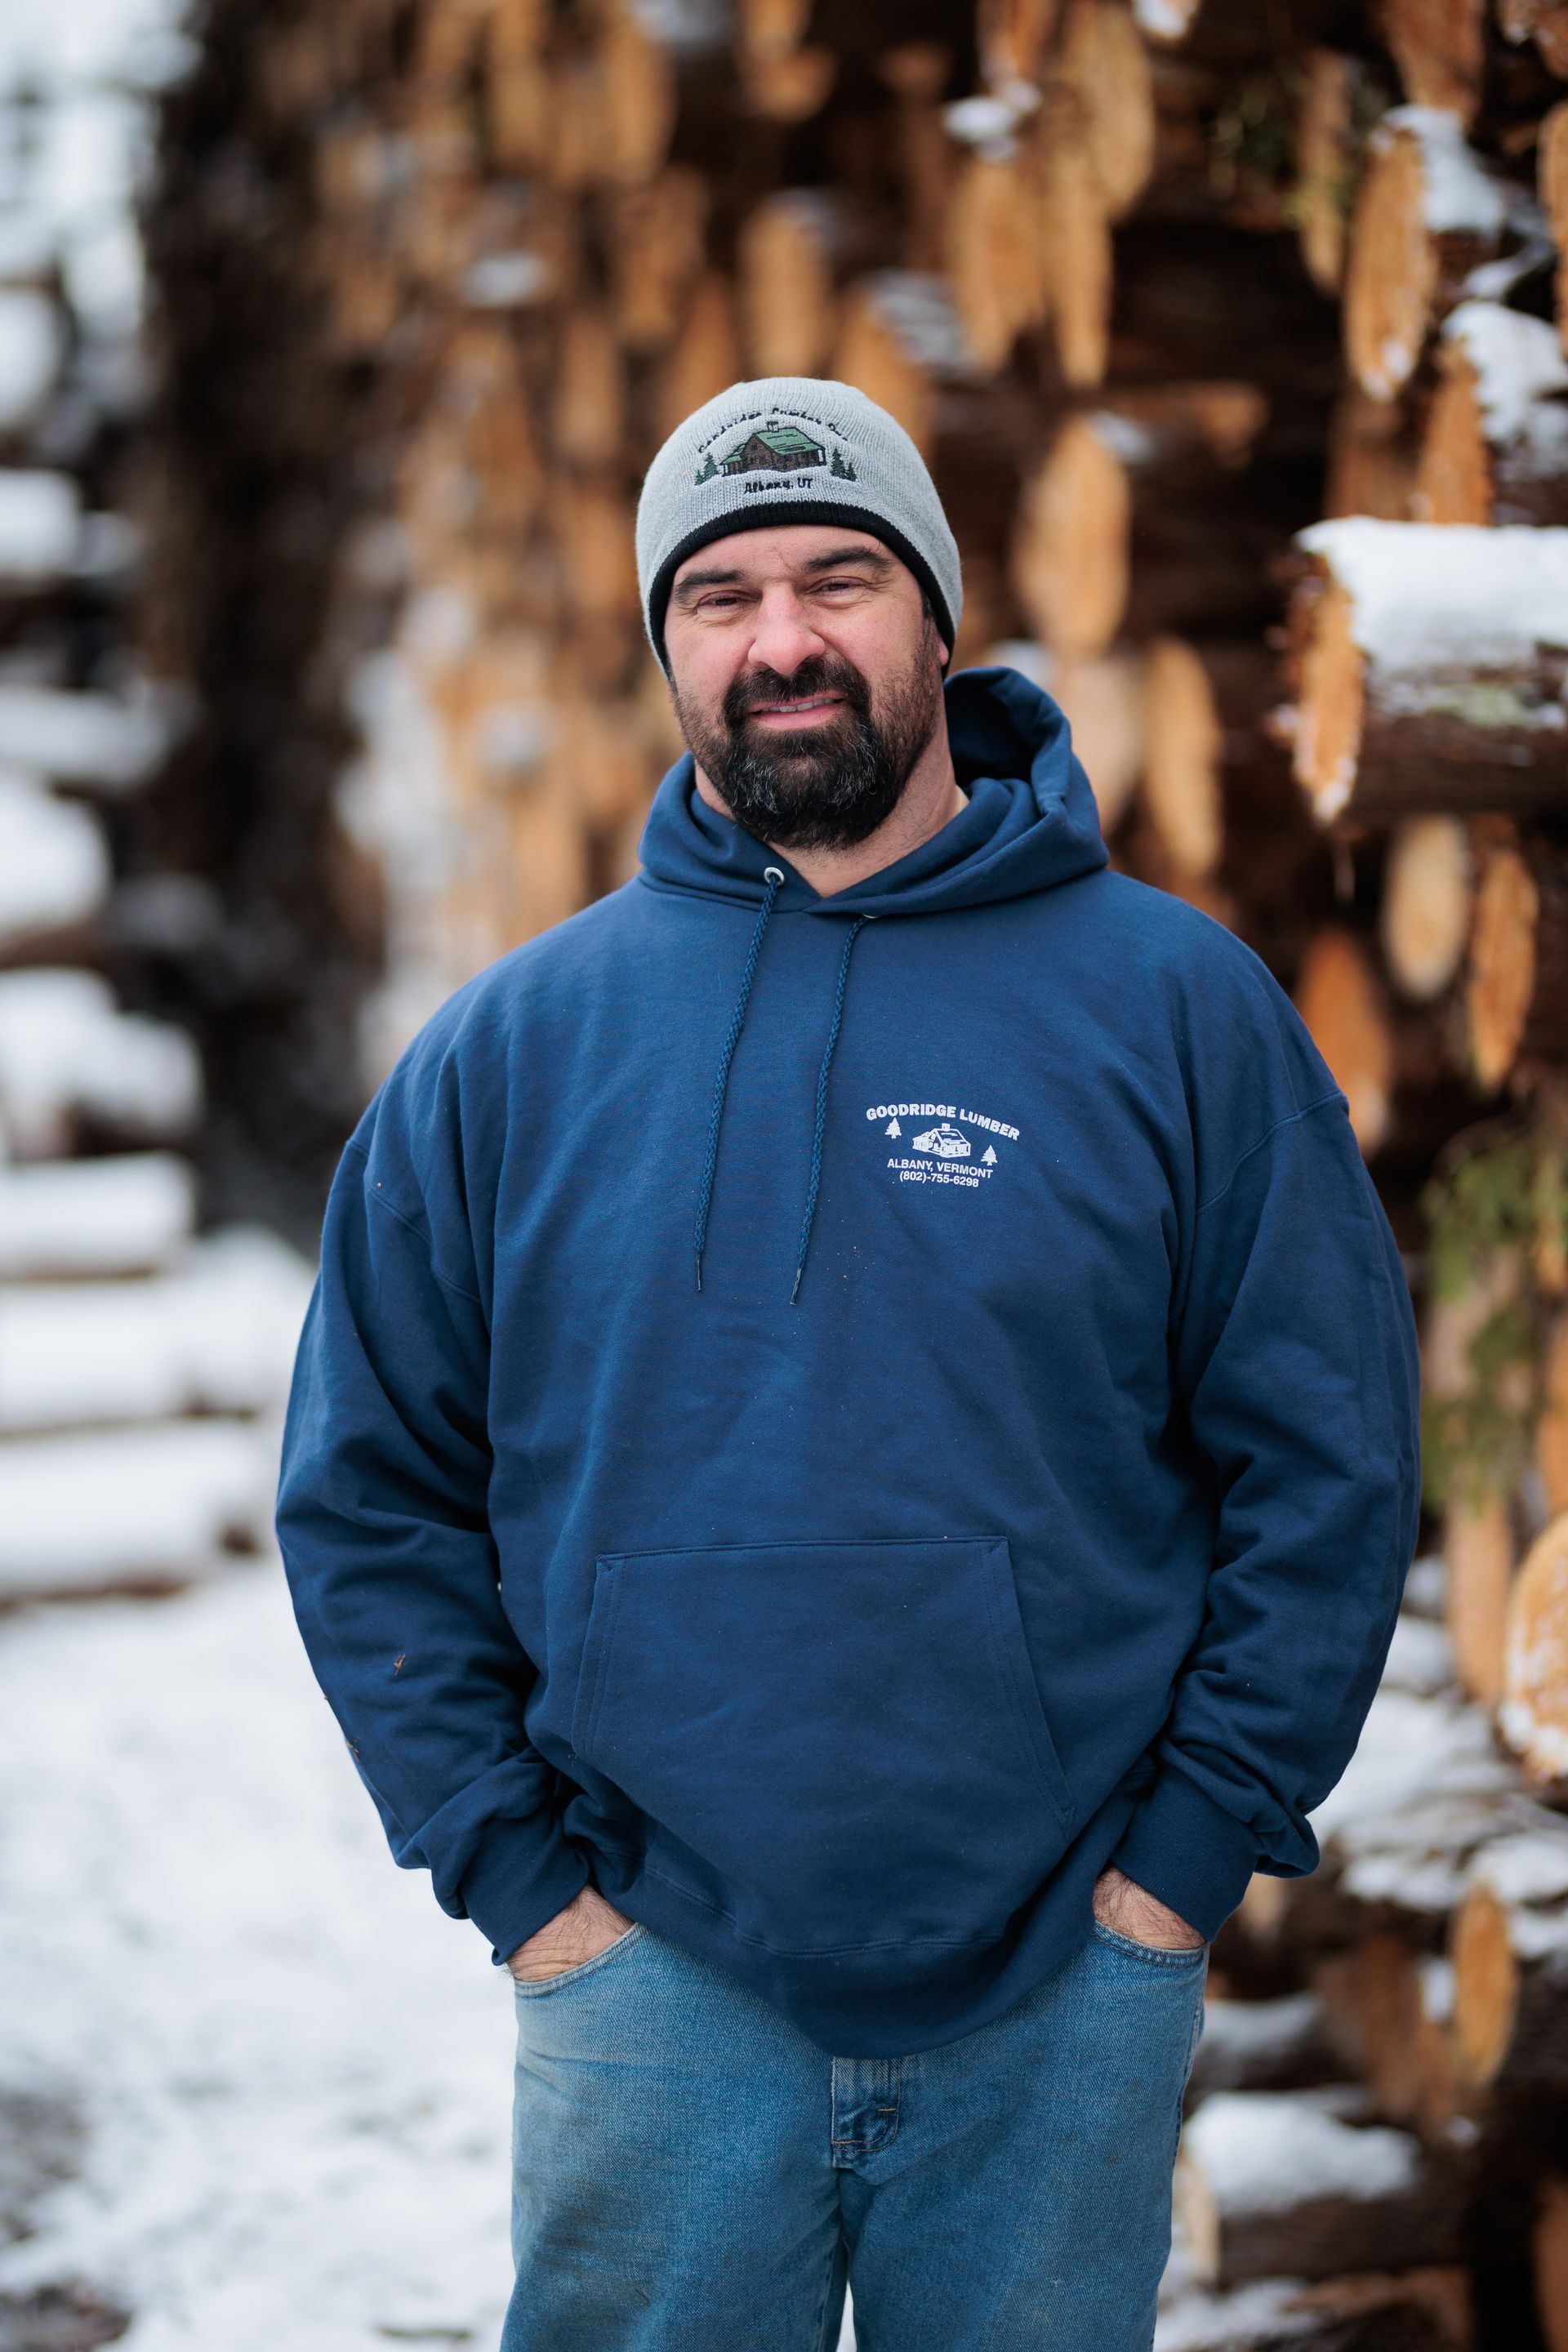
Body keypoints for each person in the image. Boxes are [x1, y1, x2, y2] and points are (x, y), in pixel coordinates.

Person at [276, 376, 1421, 2351]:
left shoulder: (1176, 1014)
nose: (782, 639)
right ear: (665, 647)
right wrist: (531, 1896)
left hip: (1064, 1984)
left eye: (838, 578)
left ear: (940, 616)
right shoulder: (511, 1056)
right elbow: (369, 1491)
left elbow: (1325, 1465)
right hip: (652, 1988)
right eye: (717, 596)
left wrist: (1172, 1876)